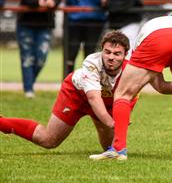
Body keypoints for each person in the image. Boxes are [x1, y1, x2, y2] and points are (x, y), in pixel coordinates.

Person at [0, 31, 143, 151]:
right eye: (107, 52)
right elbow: (93, 98)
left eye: (117, 53)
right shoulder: (92, 62)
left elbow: (138, 91)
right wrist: (112, 122)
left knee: (109, 148)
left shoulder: (132, 68)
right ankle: (3, 123)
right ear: (101, 51)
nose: (111, 57)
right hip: (76, 95)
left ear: (125, 54)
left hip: (106, 102)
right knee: (48, 140)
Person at [89, 16, 172, 161]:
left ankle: (118, 148)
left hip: (156, 37)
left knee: (123, 94)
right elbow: (161, 86)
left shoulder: (140, 42)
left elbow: (156, 84)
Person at [16, 0, 61, 98]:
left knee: (41, 58)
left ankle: (29, 83)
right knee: (27, 57)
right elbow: (24, 0)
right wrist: (38, 3)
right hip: (26, 23)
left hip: (45, 24)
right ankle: (28, 90)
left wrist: (52, 2)